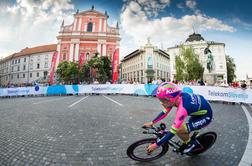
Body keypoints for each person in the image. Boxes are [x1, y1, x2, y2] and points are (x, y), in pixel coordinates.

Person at [144, 82, 213, 154]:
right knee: (183, 129)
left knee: (179, 130)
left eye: (162, 100)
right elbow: (165, 112)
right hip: (200, 110)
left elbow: (173, 131)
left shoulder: (182, 109)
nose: (161, 103)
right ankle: (189, 137)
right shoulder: (177, 97)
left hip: (206, 116)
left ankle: (191, 144)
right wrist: (152, 122)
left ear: (170, 99)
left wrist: (156, 145)